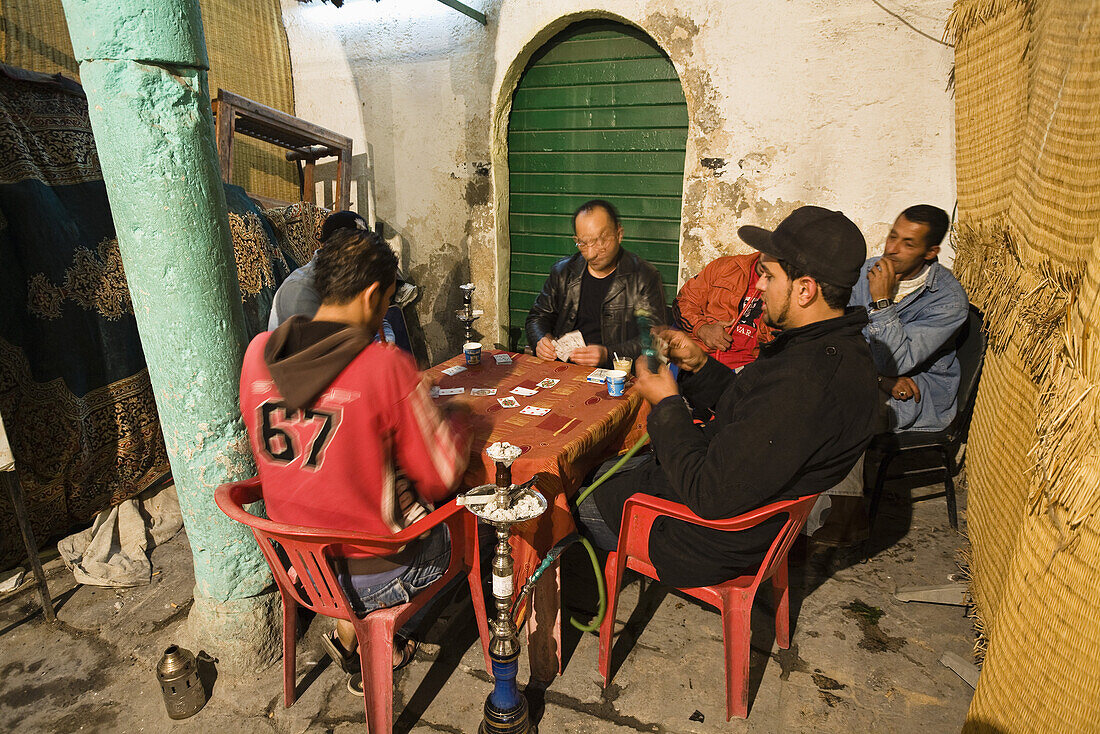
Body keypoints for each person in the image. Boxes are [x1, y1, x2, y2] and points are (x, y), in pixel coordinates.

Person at [575, 206, 879, 587]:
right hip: (728, 496)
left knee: (565, 500)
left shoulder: (808, 381)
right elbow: (754, 411)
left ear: (805, 289)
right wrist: (702, 366)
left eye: (768, 277)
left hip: (706, 537)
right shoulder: (826, 348)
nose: (760, 287)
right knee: (590, 469)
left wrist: (667, 405)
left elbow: (709, 493)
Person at [240, 228, 472, 695]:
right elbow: (441, 474)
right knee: (468, 527)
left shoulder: (256, 355)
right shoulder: (383, 366)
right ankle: (374, 637)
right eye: (388, 300)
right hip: (371, 575)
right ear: (372, 296)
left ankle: (349, 631)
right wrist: (459, 424)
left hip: (300, 569)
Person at [811, 205, 969, 545]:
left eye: (908, 244)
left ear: (931, 252)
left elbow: (898, 359)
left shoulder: (947, 299)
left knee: (848, 409)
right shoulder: (867, 271)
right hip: (874, 381)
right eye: (892, 236)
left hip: (918, 394)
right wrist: (878, 379)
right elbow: (835, 335)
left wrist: (882, 301)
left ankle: (847, 515)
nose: (893, 249)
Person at [525, 199, 668, 368]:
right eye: (583, 243)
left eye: (600, 241)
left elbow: (654, 340)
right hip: (566, 369)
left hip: (617, 374)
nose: (591, 254)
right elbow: (537, 317)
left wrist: (608, 354)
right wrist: (541, 340)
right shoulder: (563, 272)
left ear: (619, 234)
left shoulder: (644, 276)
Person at [267, 210, 403, 346]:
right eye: (352, 248)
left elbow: (378, 318)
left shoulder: (355, 275)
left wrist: (387, 344)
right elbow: (322, 349)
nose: (360, 254)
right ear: (328, 247)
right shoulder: (299, 290)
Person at [673, 252, 772, 371]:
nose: (768, 258)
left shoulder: (789, 289)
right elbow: (684, 301)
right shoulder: (726, 266)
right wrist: (701, 329)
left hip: (745, 372)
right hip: (697, 358)